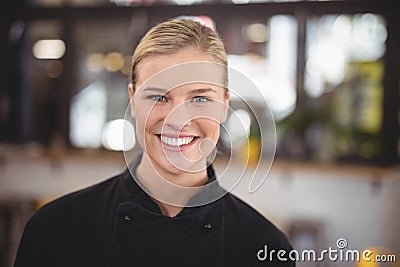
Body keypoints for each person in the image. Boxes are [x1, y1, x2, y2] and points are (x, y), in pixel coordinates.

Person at [14, 19, 295, 267]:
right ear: (132, 100)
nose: (177, 120)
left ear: (224, 105)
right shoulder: (54, 231)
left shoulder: (265, 248)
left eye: (200, 98)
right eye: (158, 97)